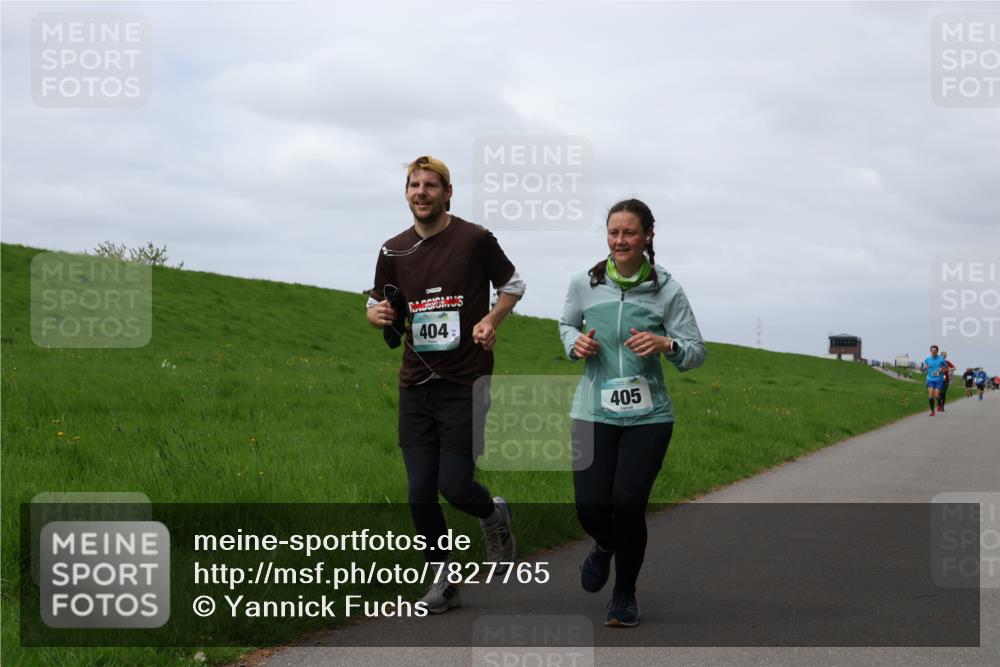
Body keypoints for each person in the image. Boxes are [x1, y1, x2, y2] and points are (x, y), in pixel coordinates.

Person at [366, 155, 525, 613]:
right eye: (414, 185)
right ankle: (444, 580)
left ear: (448, 192)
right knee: (420, 491)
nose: (421, 192)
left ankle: (494, 514)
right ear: (406, 193)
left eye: (431, 185)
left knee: (454, 486)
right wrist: (376, 314)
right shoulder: (393, 250)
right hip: (415, 382)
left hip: (466, 380)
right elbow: (376, 303)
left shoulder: (474, 238)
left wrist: (491, 319)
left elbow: (513, 284)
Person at [558, 198, 706, 627]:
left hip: (649, 417)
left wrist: (666, 344)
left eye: (629, 232)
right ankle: (605, 546)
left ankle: (624, 594)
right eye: (613, 232)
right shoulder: (583, 283)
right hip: (592, 410)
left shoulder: (667, 290)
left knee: (627, 506)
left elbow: (696, 352)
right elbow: (566, 325)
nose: (620, 240)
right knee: (590, 509)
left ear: (648, 236)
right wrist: (575, 344)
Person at [920, 345, 948, 416]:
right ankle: (932, 411)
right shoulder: (927, 359)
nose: (933, 352)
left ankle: (939, 402)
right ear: (930, 351)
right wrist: (924, 368)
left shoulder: (941, 359)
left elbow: (946, 368)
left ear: (937, 351)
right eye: (932, 350)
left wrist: (942, 369)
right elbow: (922, 369)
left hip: (939, 379)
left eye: (935, 351)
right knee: (930, 395)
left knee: (936, 395)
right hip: (930, 379)